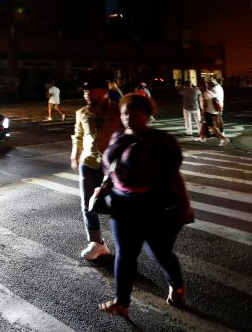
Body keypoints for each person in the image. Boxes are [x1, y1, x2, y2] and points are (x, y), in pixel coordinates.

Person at [97, 93, 193, 316]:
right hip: (122, 203)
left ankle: (176, 284)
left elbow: (174, 175)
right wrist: (105, 186)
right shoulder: (118, 137)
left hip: (153, 204)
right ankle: (121, 302)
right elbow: (111, 168)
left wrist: (185, 204)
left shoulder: (162, 141)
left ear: (147, 115)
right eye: (124, 113)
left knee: (159, 251)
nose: (128, 117)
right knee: (125, 253)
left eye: (133, 113)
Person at [71, 78, 122, 260]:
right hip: (88, 163)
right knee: (88, 204)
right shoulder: (82, 113)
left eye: (92, 91)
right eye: (85, 92)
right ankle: (96, 242)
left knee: (117, 203)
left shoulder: (117, 109)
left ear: (104, 92)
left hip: (113, 166)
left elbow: (126, 134)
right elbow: (78, 136)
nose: (87, 95)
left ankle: (125, 242)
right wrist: (74, 156)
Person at [195, 81, 230, 146]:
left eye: (199, 86)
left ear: (201, 87)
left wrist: (203, 115)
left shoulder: (203, 94)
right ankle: (202, 137)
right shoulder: (210, 92)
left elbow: (205, 105)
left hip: (208, 112)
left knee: (212, 127)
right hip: (214, 111)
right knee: (205, 124)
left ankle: (224, 139)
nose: (198, 87)